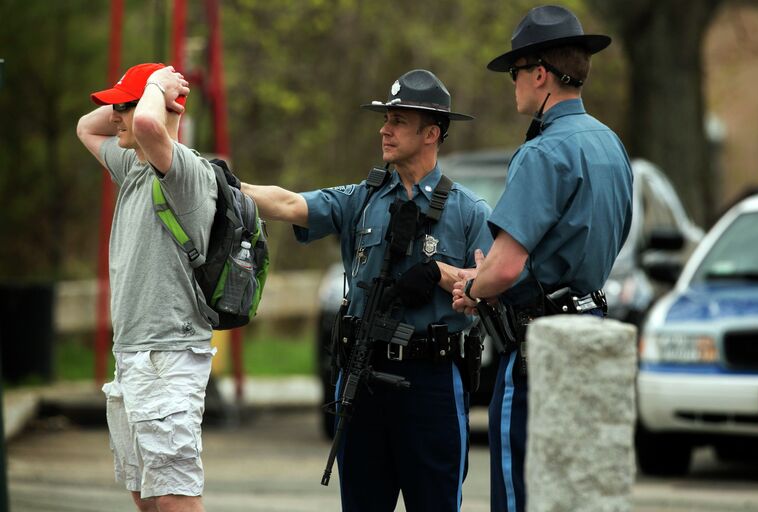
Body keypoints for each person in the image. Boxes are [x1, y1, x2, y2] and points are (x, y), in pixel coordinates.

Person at [239, 69, 493, 511]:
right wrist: (222, 185)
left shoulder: (469, 212)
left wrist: (440, 273)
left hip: (430, 382)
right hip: (362, 377)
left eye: (397, 120)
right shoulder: (363, 198)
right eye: (385, 118)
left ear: (431, 132)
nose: (384, 128)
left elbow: (490, 287)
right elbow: (287, 203)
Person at [451, 6, 633, 512]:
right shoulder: (611, 145)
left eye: (515, 72)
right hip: (592, 334)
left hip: (537, 347)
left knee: (519, 494)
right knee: (581, 491)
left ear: (539, 74)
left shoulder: (542, 152)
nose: (512, 85)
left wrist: (472, 287)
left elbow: (506, 268)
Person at [77, 63, 217, 512]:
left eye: (123, 106)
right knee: (148, 500)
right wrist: (131, 97)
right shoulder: (134, 166)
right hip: (133, 354)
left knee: (175, 500)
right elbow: (85, 126)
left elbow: (147, 124)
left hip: (168, 356)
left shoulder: (183, 171)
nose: (114, 117)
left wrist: (159, 88)